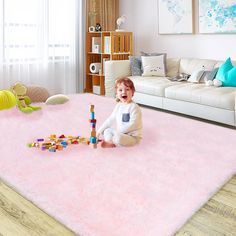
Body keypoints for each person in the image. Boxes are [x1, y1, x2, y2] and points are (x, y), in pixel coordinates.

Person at [97, 77, 142, 148]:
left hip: (132, 137)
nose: (124, 92)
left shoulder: (134, 107)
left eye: (127, 89)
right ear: (117, 94)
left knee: (117, 137)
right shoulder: (118, 106)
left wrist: (118, 131)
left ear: (132, 93)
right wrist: (98, 132)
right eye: (120, 90)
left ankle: (114, 142)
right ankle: (110, 142)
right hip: (120, 132)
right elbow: (110, 120)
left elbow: (133, 124)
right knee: (106, 130)